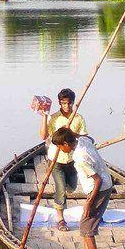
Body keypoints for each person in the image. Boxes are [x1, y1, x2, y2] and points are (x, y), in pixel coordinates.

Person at [51, 128, 113, 249]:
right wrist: (73, 134)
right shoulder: (84, 141)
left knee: (86, 227)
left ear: (66, 143)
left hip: (99, 189)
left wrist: (89, 203)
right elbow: (89, 138)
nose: (60, 149)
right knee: (86, 226)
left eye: (60, 146)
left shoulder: (80, 157)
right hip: (105, 184)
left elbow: (97, 180)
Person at [38, 88, 87, 229]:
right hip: (56, 159)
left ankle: (63, 193)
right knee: (60, 189)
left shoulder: (78, 118)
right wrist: (44, 116)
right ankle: (61, 220)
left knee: (71, 187)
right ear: (60, 103)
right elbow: (43, 136)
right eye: (63, 103)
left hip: (73, 159)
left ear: (72, 103)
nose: (66, 106)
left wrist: (70, 133)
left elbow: (84, 136)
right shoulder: (54, 118)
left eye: (69, 103)